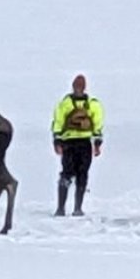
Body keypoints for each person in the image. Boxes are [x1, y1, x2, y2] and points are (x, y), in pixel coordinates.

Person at [51, 74, 104, 216]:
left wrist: (57, 140)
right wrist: (97, 142)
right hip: (79, 143)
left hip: (72, 142)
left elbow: (58, 122)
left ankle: (66, 208)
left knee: (71, 174)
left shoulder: (66, 103)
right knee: (78, 174)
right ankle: (72, 208)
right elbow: (97, 124)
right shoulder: (91, 103)